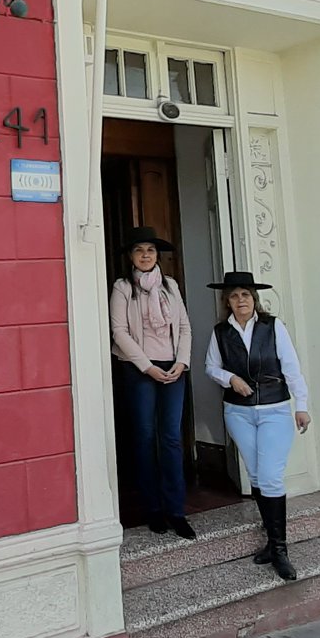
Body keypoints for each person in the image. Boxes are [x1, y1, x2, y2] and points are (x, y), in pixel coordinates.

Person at [203, 271, 311, 580]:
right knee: (255, 476)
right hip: (238, 413)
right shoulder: (221, 332)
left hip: (275, 409)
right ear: (228, 301)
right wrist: (230, 378)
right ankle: (270, 542)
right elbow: (211, 366)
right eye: (234, 296)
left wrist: (301, 406)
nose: (241, 301)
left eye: (245, 295)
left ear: (255, 299)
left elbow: (291, 367)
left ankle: (280, 550)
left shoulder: (273, 327)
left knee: (271, 476)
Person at [108, 226, 196, 538]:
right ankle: (153, 509)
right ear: (131, 257)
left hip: (173, 368)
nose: (146, 255)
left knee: (171, 438)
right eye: (139, 250)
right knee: (144, 438)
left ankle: (176, 509)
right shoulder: (123, 287)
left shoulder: (170, 285)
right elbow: (119, 331)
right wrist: (147, 367)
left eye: (151, 250)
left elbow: (184, 325)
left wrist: (181, 362)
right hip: (139, 369)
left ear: (157, 256)